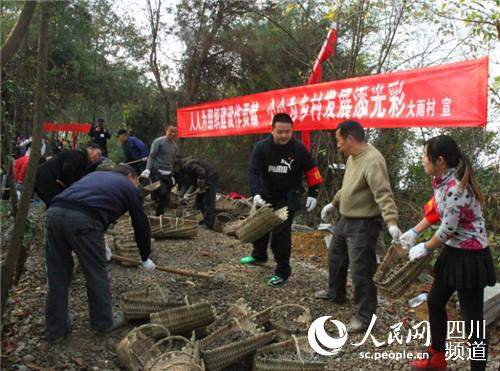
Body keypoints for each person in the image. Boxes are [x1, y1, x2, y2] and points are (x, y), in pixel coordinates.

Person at [399, 135, 496, 371]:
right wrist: (414, 231)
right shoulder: (442, 182)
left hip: (470, 258)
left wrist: (425, 246)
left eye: (425, 156)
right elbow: (435, 213)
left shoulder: (456, 188)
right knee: (435, 301)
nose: (422, 160)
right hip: (452, 253)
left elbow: (447, 229)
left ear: (439, 160)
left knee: (472, 321)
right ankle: (437, 357)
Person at [44, 164, 155, 344]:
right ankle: (103, 322)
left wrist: (101, 241)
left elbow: (89, 203)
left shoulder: (94, 177)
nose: (136, 186)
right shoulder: (128, 187)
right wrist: (145, 256)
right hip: (83, 221)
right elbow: (140, 223)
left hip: (54, 213)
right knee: (96, 272)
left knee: (57, 274)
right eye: (136, 182)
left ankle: (55, 330)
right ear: (131, 177)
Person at [317, 120, 402, 332]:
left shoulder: (373, 161)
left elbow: (383, 194)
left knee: (361, 271)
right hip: (346, 219)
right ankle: (336, 292)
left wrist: (392, 222)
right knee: (336, 256)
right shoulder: (353, 158)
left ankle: (364, 317)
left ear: (350, 139)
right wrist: (334, 203)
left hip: (364, 223)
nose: (337, 145)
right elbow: (348, 188)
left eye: (339, 141)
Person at [240, 112, 323, 288]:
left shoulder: (299, 149)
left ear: (292, 131)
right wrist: (255, 193)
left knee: (281, 235)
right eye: (280, 132)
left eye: (288, 131)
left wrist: (313, 194)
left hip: (288, 197)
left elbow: (312, 172)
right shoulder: (261, 148)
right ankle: (259, 254)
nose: (284, 135)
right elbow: (254, 172)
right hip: (265, 194)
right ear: (272, 130)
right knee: (259, 226)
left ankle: (283, 271)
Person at [34, 143, 102, 206]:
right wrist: (73, 188)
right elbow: (67, 170)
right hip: (44, 181)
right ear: (90, 149)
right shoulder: (78, 155)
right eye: (98, 154)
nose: (97, 157)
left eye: (100, 156)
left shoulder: (83, 160)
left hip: (47, 182)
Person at [140, 125, 179, 216]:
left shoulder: (175, 146)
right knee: (162, 191)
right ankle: (153, 201)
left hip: (168, 173)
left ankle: (159, 214)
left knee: (166, 197)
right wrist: (148, 169)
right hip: (157, 171)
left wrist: (172, 174)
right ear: (166, 131)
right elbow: (152, 156)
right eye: (171, 131)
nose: (173, 134)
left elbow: (173, 160)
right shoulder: (158, 142)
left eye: (175, 132)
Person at [173, 155, 218, 229]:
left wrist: (201, 188)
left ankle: (208, 223)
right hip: (204, 178)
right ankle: (201, 219)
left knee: (208, 200)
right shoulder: (185, 168)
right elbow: (193, 183)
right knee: (198, 200)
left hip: (210, 176)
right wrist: (187, 194)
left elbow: (201, 172)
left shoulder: (188, 165)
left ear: (178, 165)